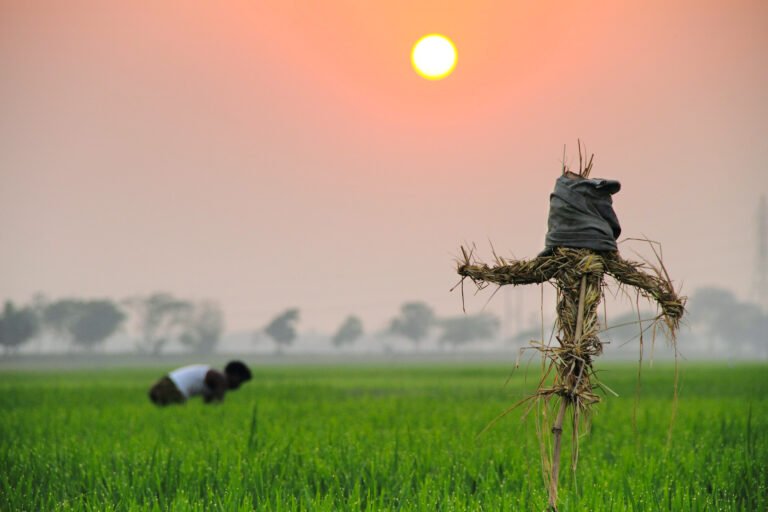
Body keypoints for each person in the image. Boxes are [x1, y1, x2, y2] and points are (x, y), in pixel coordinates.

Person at [148, 360, 252, 406]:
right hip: (169, 389)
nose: (238, 386)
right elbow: (215, 405)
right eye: (240, 381)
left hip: (160, 386)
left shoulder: (215, 376)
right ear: (234, 375)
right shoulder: (220, 379)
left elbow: (208, 404)